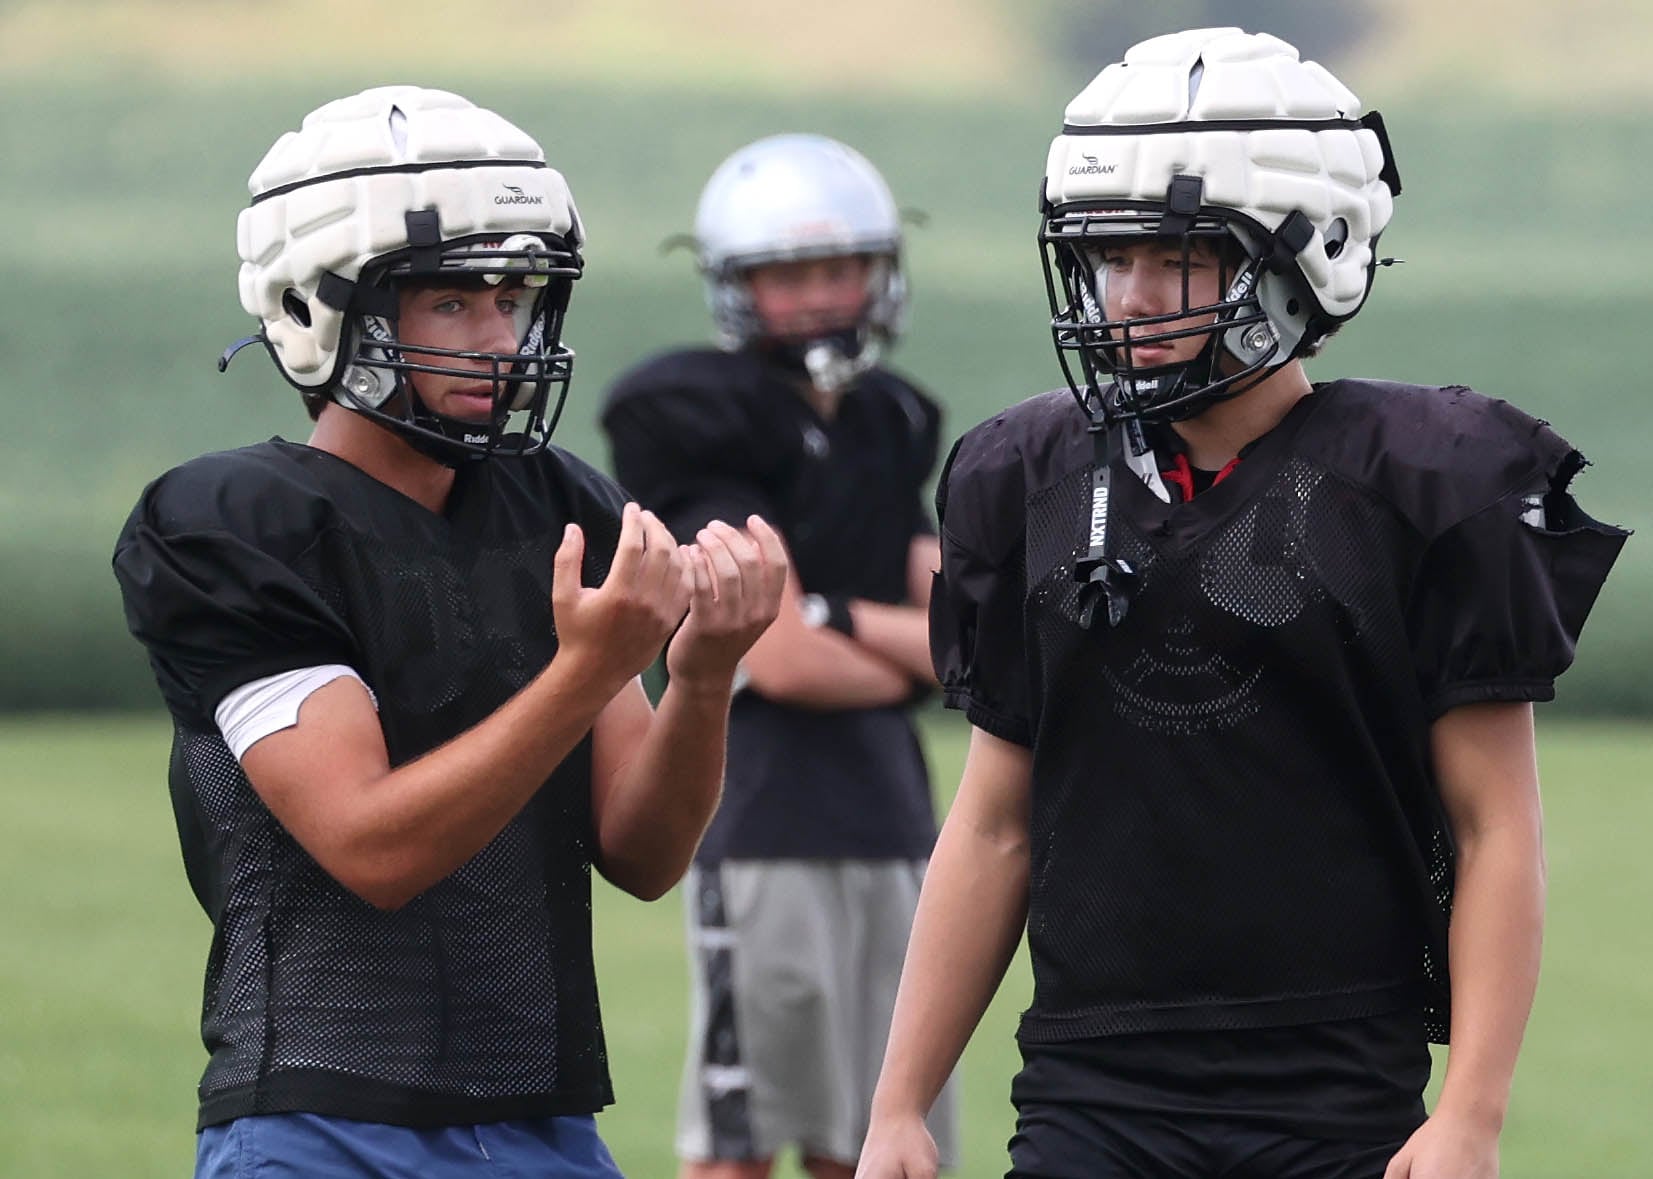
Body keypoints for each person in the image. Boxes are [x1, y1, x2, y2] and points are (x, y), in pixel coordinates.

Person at [856, 27, 1628, 1179]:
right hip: (1086, 1091)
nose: (1127, 294)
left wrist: (1471, 1112)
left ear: (1306, 254)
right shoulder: (1024, 475)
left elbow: (1495, 827)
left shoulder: (1423, 479)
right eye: (1109, 257)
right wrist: (899, 1103)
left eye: (1174, 257)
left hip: (1338, 1095)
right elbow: (994, 819)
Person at [111, 85, 786, 1179]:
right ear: (322, 306)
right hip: (319, 1125)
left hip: (548, 1126)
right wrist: (590, 670)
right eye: (453, 303)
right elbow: (373, 849)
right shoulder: (234, 527)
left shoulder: (549, 502)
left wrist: (701, 678)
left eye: (513, 298)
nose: (503, 337)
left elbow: (644, 852)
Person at [600, 133, 959, 1179]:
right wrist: (893, 647)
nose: (813, 297)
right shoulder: (697, 414)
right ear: (736, 285)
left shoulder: (890, 421)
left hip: (896, 822)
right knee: (744, 1143)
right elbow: (786, 660)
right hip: (761, 821)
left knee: (887, 1144)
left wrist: (838, 617)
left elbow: (963, 636)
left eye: (836, 268)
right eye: (785, 273)